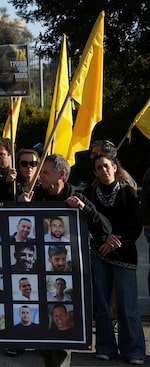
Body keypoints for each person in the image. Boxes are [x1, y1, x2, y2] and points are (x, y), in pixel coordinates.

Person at [84, 153, 145, 364]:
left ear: (115, 167)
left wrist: (114, 242)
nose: (104, 170)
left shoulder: (128, 193)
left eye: (107, 166)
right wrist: (103, 239)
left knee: (128, 307)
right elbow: (87, 222)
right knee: (102, 305)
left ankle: (134, 350)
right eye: (99, 168)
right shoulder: (89, 193)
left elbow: (135, 225)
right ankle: (105, 346)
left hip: (124, 256)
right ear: (95, 172)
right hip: (99, 254)